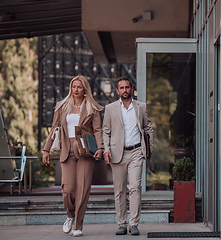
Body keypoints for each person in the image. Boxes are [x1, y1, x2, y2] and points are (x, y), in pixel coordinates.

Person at [42, 75, 104, 237]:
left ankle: (78, 225)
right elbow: (54, 128)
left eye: (79, 87)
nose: (76, 89)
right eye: (74, 86)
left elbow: (97, 130)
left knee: (83, 189)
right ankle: (70, 215)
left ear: (85, 90)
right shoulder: (62, 106)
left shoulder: (92, 108)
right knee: (68, 189)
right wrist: (46, 149)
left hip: (85, 151)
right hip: (67, 149)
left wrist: (101, 148)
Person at [102, 77, 153, 236]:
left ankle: (134, 223)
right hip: (117, 154)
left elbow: (148, 128)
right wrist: (106, 149)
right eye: (121, 88)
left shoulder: (141, 107)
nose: (125, 90)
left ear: (132, 89)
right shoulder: (110, 109)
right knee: (119, 190)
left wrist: (148, 148)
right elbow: (105, 131)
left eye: (127, 87)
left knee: (135, 187)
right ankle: (122, 224)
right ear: (117, 91)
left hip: (136, 152)